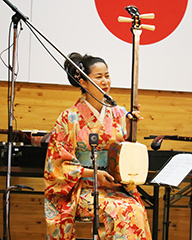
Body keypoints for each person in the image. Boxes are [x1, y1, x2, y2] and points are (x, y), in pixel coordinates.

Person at [44, 52, 152, 240]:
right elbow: (57, 164)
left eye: (107, 76)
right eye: (99, 77)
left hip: (114, 186)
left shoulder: (119, 113)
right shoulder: (69, 117)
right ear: (83, 82)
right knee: (121, 211)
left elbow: (122, 153)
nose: (105, 81)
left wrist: (129, 130)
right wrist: (93, 173)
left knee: (135, 209)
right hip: (82, 189)